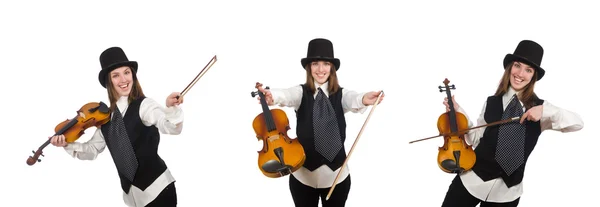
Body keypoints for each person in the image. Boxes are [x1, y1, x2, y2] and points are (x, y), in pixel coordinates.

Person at [440, 40, 584, 206]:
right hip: (471, 181)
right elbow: (476, 139)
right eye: (517, 65)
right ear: (510, 68)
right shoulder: (491, 102)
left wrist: (545, 111)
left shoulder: (542, 109)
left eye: (528, 70)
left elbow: (578, 123)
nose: (520, 73)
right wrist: (458, 112)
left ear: (533, 76)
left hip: (507, 193)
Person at [256, 38, 384, 207]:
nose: (321, 69)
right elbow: (286, 95)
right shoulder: (300, 93)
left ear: (332, 68)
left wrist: (365, 98)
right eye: (315, 64)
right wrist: (272, 96)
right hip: (303, 178)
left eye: (326, 64)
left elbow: (355, 99)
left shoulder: (341, 94)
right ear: (309, 68)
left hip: (336, 178)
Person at [49, 47, 184, 207]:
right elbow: (92, 150)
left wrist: (170, 108)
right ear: (109, 81)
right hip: (133, 198)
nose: (123, 79)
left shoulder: (145, 105)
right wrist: (67, 144)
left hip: (159, 190)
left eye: (127, 72)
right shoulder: (106, 117)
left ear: (133, 75)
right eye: (116, 75)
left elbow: (170, 127)